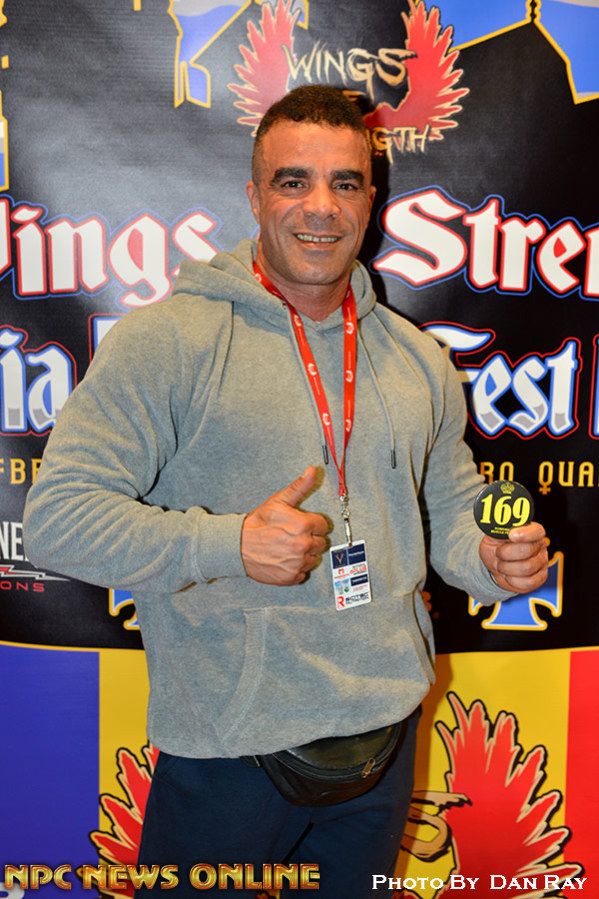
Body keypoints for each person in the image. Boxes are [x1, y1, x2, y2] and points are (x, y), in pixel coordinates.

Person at [23, 85, 548, 897]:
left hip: (383, 738)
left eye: (345, 183)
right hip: (229, 750)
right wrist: (227, 543)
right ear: (254, 195)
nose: (321, 208)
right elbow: (57, 518)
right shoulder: (169, 342)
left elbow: (447, 508)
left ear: (371, 199)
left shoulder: (415, 358)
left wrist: (488, 558)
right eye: (292, 181)